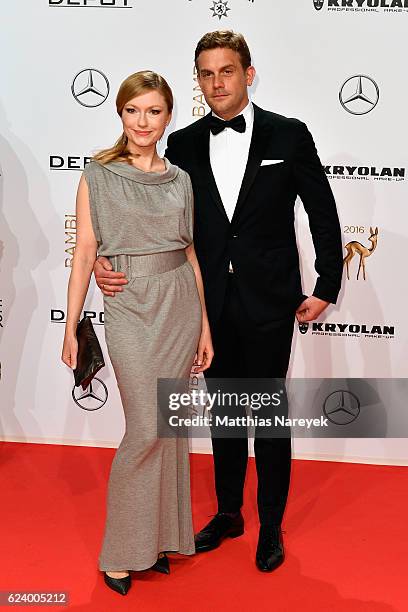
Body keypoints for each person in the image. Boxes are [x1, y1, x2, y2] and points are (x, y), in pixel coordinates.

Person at [94, 30, 343, 573]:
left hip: (271, 297)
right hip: (203, 302)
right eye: (206, 74)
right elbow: (147, 222)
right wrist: (99, 260)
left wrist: (327, 284)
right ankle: (229, 512)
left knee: (268, 413)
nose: (216, 83)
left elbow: (322, 211)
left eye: (226, 71)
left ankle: (270, 525)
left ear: (248, 74)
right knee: (224, 412)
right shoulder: (180, 143)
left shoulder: (289, 134)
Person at [61, 70, 213, 596]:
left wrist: (204, 328)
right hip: (130, 306)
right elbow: (84, 252)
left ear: (169, 116)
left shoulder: (180, 180)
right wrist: (71, 326)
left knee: (170, 430)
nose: (143, 121)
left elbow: (190, 252)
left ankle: (161, 539)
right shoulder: (98, 175)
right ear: (120, 113)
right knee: (146, 429)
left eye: (153, 111)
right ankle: (121, 551)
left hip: (179, 305)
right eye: (133, 110)